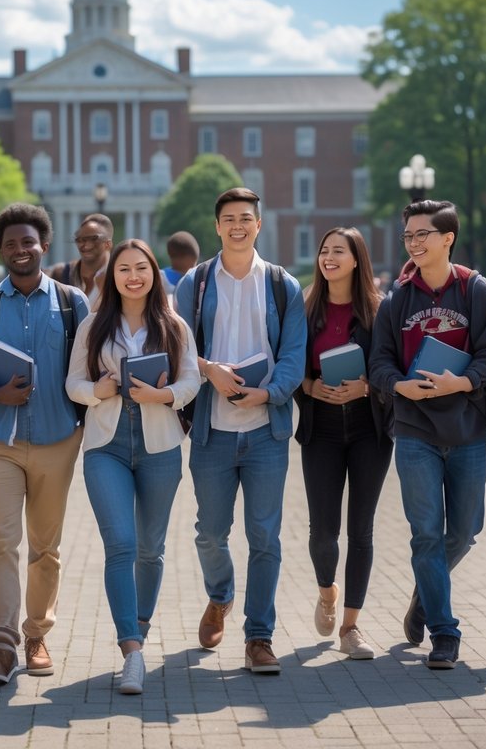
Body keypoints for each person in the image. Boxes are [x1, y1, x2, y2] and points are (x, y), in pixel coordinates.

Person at [0, 203, 89, 684]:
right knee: (2, 541)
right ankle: (3, 643)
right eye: (10, 244)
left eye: (27, 241)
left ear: (44, 246)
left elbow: (91, 365)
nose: (19, 250)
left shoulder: (73, 304)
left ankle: (37, 635)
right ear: (1, 251)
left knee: (45, 548)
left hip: (58, 441)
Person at [174, 187, 306, 674]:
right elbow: (177, 346)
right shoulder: (196, 283)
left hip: (266, 433)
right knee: (209, 534)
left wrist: (268, 394)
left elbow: (293, 355)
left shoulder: (281, 284)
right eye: (228, 218)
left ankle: (259, 637)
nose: (237, 225)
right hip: (212, 431)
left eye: (245, 218)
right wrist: (209, 369)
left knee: (265, 537)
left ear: (258, 224)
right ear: (217, 226)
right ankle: (220, 595)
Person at [368, 199, 486, 670]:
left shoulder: (475, 290)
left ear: (448, 238)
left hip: (466, 430)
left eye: (422, 233)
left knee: (465, 532)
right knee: (426, 535)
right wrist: (399, 384)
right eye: (408, 235)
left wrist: (462, 382)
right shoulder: (397, 299)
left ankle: (425, 597)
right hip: (414, 432)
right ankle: (445, 632)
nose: (413, 242)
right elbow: (379, 363)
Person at [66, 239, 199, 694]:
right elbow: (73, 384)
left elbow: (192, 379)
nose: (133, 276)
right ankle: (132, 651)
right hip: (106, 445)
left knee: (150, 549)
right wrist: (98, 391)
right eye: (124, 269)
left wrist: (164, 396)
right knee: (121, 543)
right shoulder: (92, 326)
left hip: (160, 445)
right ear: (113, 276)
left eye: (141, 268)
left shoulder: (174, 325)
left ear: (154, 274)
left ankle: (138, 627)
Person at [294, 228, 393, 660]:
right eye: (324, 250)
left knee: (362, 532)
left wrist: (367, 387)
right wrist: (312, 389)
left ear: (357, 259)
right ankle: (327, 591)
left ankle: (350, 627)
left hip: (370, 430)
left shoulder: (379, 310)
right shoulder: (304, 308)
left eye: (339, 250)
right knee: (323, 533)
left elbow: (393, 367)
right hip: (323, 431)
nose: (328, 257)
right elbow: (290, 367)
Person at [48, 213, 112, 304]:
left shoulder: (117, 278)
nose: (86, 245)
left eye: (94, 239)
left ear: (108, 244)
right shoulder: (62, 274)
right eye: (80, 239)